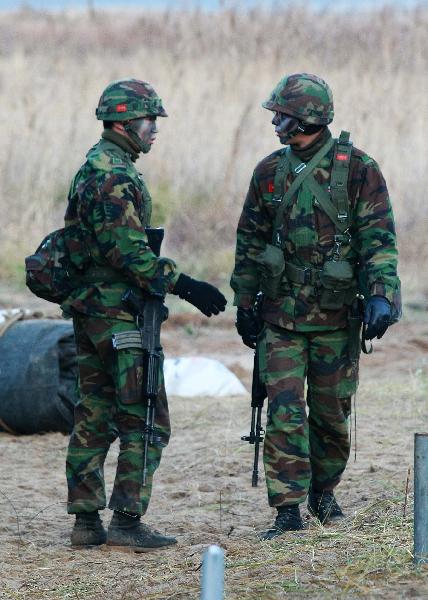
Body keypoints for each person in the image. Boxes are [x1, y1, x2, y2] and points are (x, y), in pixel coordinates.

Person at [230, 73, 400, 539]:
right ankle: (287, 511)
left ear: (305, 118)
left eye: (280, 115)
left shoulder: (359, 169)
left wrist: (383, 295)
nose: (275, 123)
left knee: (331, 415)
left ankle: (323, 494)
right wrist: (244, 303)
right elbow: (250, 241)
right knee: (284, 411)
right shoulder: (269, 172)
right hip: (280, 317)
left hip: (335, 317)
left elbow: (379, 240)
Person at [62, 79, 227, 550]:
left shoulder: (98, 166)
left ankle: (86, 521)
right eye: (149, 120)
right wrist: (185, 284)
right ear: (123, 122)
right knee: (144, 414)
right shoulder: (111, 172)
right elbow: (127, 253)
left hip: (93, 314)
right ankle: (127, 522)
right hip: (118, 317)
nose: (155, 129)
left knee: (93, 413)